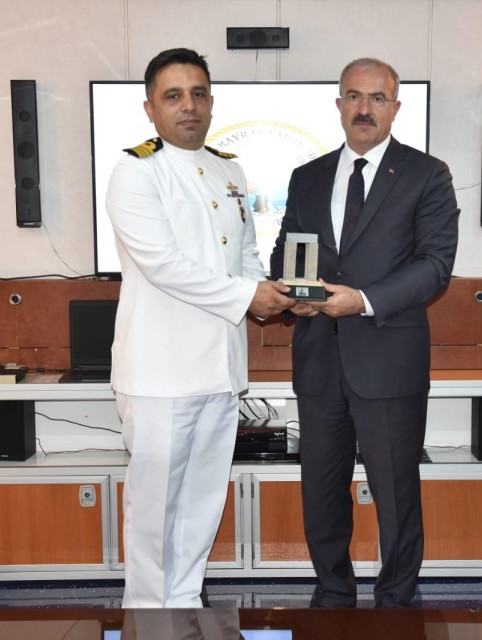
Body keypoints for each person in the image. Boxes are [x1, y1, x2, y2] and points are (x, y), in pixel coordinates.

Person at [105, 47, 294, 608]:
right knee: (154, 511)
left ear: (211, 102)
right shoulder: (136, 171)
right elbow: (164, 266)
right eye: (173, 96)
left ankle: (184, 607)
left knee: (202, 505)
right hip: (160, 373)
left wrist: (272, 298)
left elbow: (245, 255)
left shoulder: (229, 169)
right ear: (150, 109)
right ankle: (147, 617)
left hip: (220, 370)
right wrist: (249, 296)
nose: (189, 106)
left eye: (198, 93)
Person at [269, 58, 460, 608]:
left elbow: (435, 266)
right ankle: (333, 594)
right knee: (321, 492)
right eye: (354, 96)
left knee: (396, 495)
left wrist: (363, 301)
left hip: (387, 360)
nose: (364, 108)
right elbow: (288, 250)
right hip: (318, 361)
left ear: (395, 108)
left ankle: (396, 602)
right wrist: (291, 296)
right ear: (339, 105)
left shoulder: (427, 174)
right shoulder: (307, 177)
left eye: (377, 98)